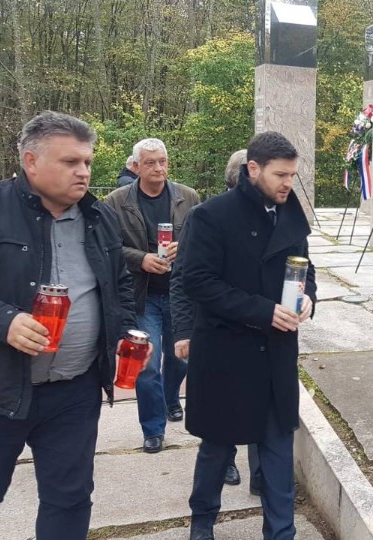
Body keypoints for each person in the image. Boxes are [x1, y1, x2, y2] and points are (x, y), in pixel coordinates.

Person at [0, 111, 146, 540]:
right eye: (70, 162)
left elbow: (119, 286)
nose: (83, 172)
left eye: (87, 161)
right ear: (31, 161)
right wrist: (3, 321)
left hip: (74, 392)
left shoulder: (99, 217)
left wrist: (126, 332)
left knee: (70, 500)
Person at [182, 132, 316, 540]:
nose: (288, 183)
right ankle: (202, 522)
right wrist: (263, 311)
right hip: (227, 353)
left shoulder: (290, 213)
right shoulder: (211, 215)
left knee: (277, 450)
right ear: (253, 169)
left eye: (292, 175)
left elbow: (305, 267)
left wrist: (308, 298)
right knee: (217, 448)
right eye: (280, 175)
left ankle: (281, 533)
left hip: (276, 353)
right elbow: (198, 281)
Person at [171, 148, 262, 494]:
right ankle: (225, 463)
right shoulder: (204, 217)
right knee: (221, 410)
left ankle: (262, 478)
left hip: (261, 333)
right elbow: (182, 279)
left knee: (262, 408)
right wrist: (182, 331)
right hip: (216, 332)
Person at [105, 138, 200, 454]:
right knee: (147, 365)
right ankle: (153, 428)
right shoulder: (117, 201)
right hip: (142, 296)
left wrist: (184, 248)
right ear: (135, 166)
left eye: (162, 161)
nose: (158, 168)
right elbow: (107, 247)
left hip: (180, 294)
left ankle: (171, 397)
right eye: (150, 162)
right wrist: (140, 259)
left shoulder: (188, 197)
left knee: (179, 358)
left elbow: (204, 241)